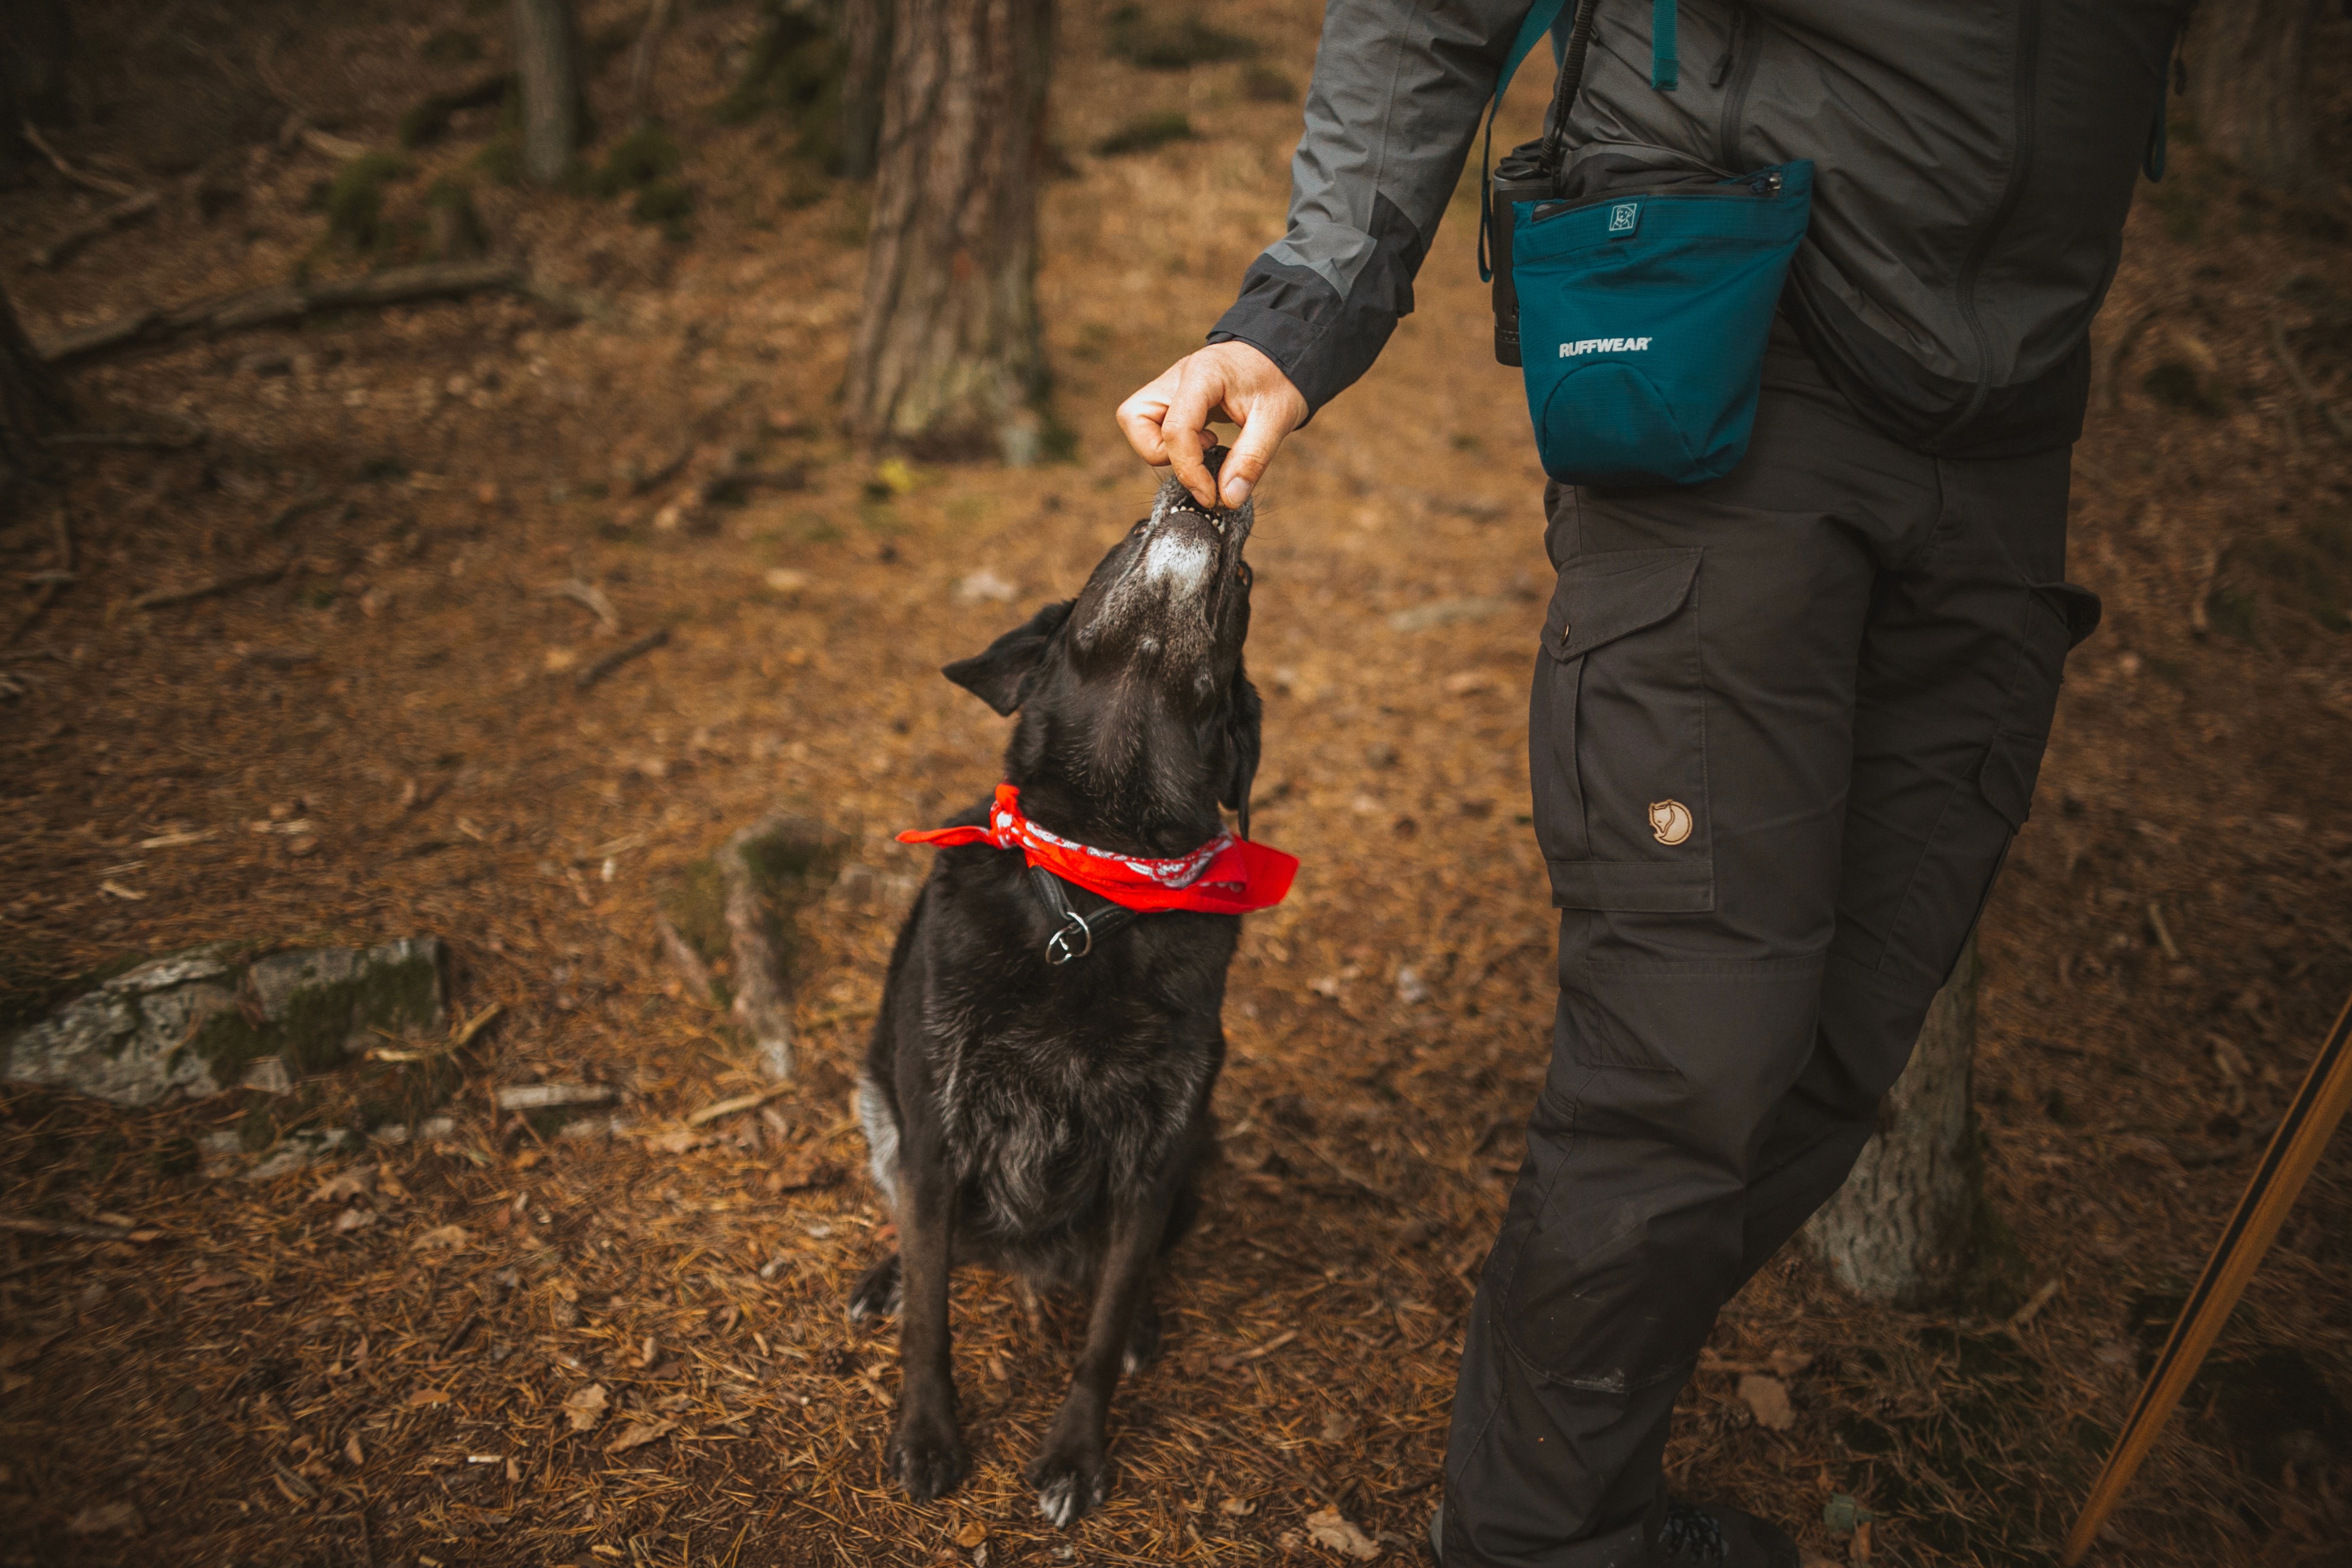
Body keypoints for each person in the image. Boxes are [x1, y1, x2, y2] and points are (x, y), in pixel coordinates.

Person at [1117, 1, 2189, 1564]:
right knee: (1693, 1054)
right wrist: (1302, 309)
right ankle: (1535, 1541)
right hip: (1727, 332)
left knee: (1836, 1047)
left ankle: (1564, 1498)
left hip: (2017, 410)